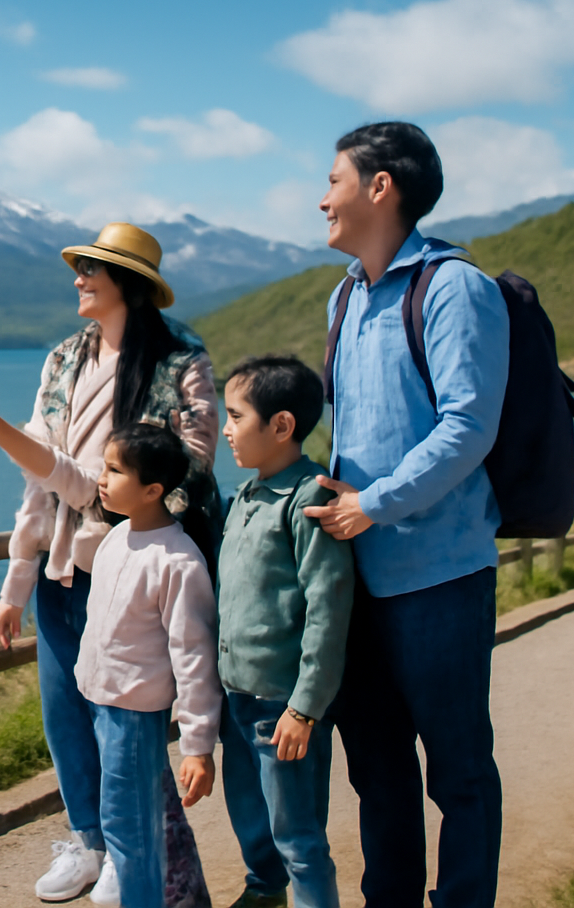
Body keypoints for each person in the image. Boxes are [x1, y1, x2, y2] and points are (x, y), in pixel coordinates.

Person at [0, 222, 220, 905]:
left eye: (91, 270)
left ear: (128, 285)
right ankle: (89, 843)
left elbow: (190, 473)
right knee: (66, 718)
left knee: (125, 725)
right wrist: (16, 581)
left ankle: (129, 852)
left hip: (133, 570)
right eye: (79, 268)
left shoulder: (181, 362)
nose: (77, 280)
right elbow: (41, 481)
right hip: (60, 572)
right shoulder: (64, 359)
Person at [306, 122, 509, 908]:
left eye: (334, 180)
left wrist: (375, 504)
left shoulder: (456, 286)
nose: (323, 198)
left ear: (380, 187)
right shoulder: (346, 293)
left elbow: (467, 426)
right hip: (359, 574)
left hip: (440, 575)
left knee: (457, 772)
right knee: (379, 773)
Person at [216, 355, 354, 908]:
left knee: (298, 837)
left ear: (281, 426)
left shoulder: (308, 497)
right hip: (237, 696)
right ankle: (265, 892)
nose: (225, 429)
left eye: (235, 415)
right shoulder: (248, 495)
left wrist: (304, 708)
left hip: (282, 705)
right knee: (252, 819)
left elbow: (328, 607)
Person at [76, 422, 220, 908]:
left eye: (115, 470)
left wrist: (198, 745)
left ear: (153, 490)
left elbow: (194, 656)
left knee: (131, 830)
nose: (102, 477)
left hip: (135, 716)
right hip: (100, 704)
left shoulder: (177, 561)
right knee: (131, 822)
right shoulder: (116, 539)